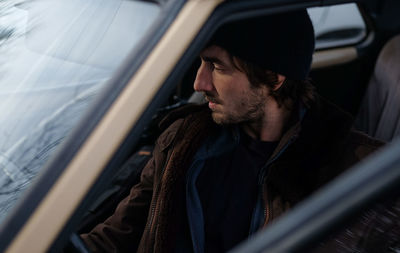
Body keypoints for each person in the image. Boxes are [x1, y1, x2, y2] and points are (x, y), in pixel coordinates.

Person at [80, 10, 387, 253]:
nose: (199, 84)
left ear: (273, 77)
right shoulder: (184, 141)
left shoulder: (358, 174)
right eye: (201, 63)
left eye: (216, 66)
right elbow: (115, 236)